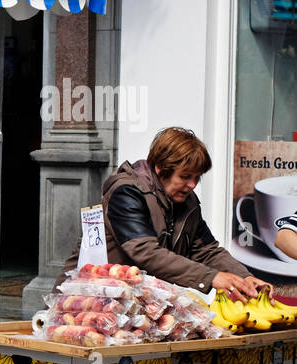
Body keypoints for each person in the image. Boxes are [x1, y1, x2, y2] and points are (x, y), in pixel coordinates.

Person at [61, 126, 265, 300]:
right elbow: (145, 251)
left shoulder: (187, 201)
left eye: (197, 178)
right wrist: (211, 277)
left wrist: (244, 277)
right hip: (89, 301)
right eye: (185, 177)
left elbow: (206, 250)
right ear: (160, 168)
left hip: (136, 305)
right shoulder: (127, 192)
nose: (192, 185)